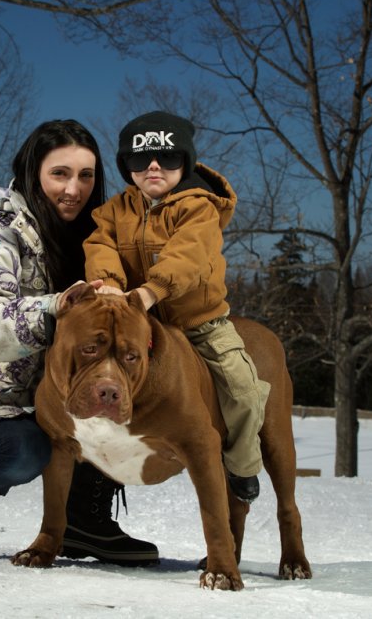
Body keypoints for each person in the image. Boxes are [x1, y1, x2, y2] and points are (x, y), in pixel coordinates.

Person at [0, 119, 158, 566]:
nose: (73, 188)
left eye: (86, 176)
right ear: (31, 172)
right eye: (59, 173)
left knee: (114, 389)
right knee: (26, 450)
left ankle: (83, 521)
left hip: (37, 402)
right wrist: (52, 308)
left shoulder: (90, 241)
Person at [84, 111, 271, 503]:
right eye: (140, 160)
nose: (153, 167)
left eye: (166, 158)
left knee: (244, 389)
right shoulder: (116, 210)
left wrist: (153, 290)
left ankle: (241, 463)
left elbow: (189, 254)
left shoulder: (199, 207)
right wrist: (112, 287)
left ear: (184, 162)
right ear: (126, 166)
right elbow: (100, 244)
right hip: (138, 324)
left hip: (197, 322)